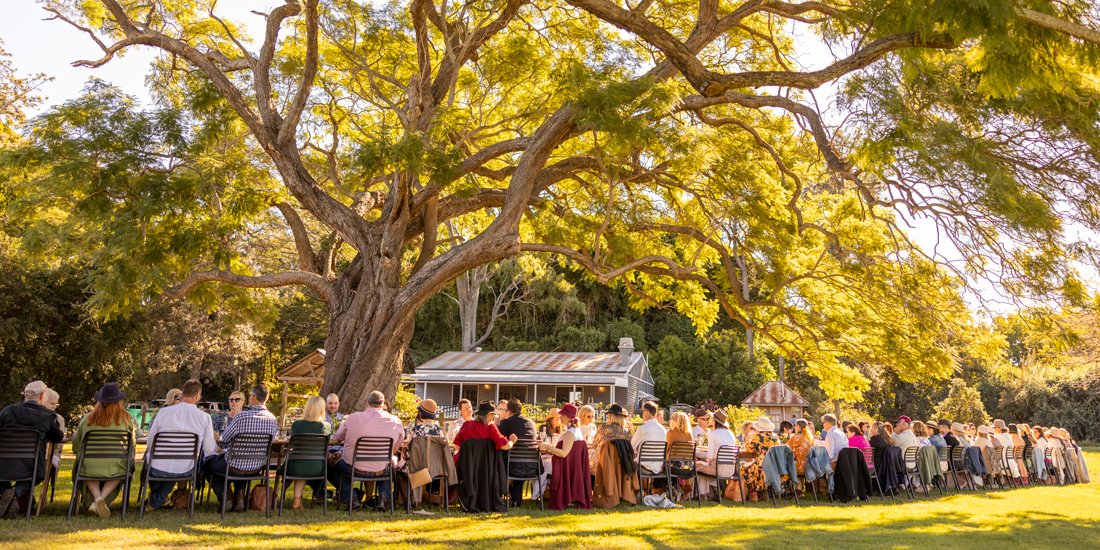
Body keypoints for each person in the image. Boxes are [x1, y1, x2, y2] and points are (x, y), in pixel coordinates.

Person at [143, 379, 218, 513]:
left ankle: (155, 500)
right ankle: (155, 501)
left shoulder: (163, 412)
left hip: (157, 464)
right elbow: (208, 449)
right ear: (197, 395)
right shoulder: (205, 417)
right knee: (176, 469)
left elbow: (150, 442)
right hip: (186, 467)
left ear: (183, 394)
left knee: (154, 462)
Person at [203, 384, 279, 512]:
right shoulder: (273, 419)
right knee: (241, 462)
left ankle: (226, 496)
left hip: (233, 465)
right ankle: (240, 498)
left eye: (249, 395)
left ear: (253, 397)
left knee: (207, 464)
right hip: (256, 466)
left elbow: (224, 439)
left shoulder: (241, 417)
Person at [327, 390, 406, 509]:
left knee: (331, 463)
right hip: (381, 469)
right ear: (382, 404)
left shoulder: (353, 418)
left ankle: (351, 498)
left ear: (367, 403)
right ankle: (383, 499)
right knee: (387, 465)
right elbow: (398, 444)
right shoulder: (396, 421)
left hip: (353, 467)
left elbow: (338, 437)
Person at [0, 381, 64, 518]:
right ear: (42, 397)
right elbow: (58, 437)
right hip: (32, 466)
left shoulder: (7, 411)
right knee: (39, 475)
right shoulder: (48, 416)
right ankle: (15, 493)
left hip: (3, 464)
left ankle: (6, 491)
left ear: (25, 395)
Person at [71, 382, 136, 518]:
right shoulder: (126, 420)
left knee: (86, 466)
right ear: (119, 401)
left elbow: (76, 446)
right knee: (121, 467)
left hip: (89, 464)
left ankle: (97, 497)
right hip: (116, 465)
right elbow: (132, 446)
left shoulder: (87, 419)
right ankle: (101, 499)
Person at [282, 395, 331, 511]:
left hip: (296, 466)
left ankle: (296, 499)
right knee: (306, 462)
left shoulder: (297, 425)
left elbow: (293, 444)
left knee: (301, 463)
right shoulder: (326, 427)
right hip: (318, 467)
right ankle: (298, 501)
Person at [538, 403, 590, 510]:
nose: (560, 417)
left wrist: (548, 447)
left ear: (568, 417)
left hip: (565, 468)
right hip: (572, 468)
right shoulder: (576, 432)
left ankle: (537, 495)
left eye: (562, 415)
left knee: (541, 466)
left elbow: (563, 453)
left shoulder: (570, 433)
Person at [497, 399, 536, 507]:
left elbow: (499, 442)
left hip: (512, 466)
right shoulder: (531, 423)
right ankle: (516, 501)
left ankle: (499, 497)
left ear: (508, 411)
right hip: (532, 466)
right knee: (517, 461)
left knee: (502, 460)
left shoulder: (505, 422)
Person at [695, 409, 737, 499]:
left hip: (718, 469)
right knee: (706, 466)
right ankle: (714, 493)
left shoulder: (713, 433)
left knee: (696, 466)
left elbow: (710, 457)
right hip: (730, 470)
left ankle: (700, 495)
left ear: (714, 421)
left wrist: (705, 459)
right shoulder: (731, 433)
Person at [741, 417, 779, 501]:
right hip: (774, 469)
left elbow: (748, 450)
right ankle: (764, 492)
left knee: (744, 468)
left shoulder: (758, 437)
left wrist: (748, 438)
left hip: (761, 468)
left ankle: (753, 492)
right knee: (753, 466)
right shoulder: (776, 438)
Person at [631, 401, 666, 477]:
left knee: (625, 463)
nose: (642, 414)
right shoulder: (663, 430)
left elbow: (631, 447)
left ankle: (632, 488)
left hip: (643, 468)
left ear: (647, 412)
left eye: (643, 411)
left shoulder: (643, 429)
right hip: (658, 468)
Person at [665, 411, 695, 500]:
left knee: (662, 465)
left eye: (671, 419)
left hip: (674, 468)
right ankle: (682, 488)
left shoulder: (670, 433)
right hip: (688, 468)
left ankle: (666, 491)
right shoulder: (689, 434)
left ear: (675, 421)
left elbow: (666, 451)